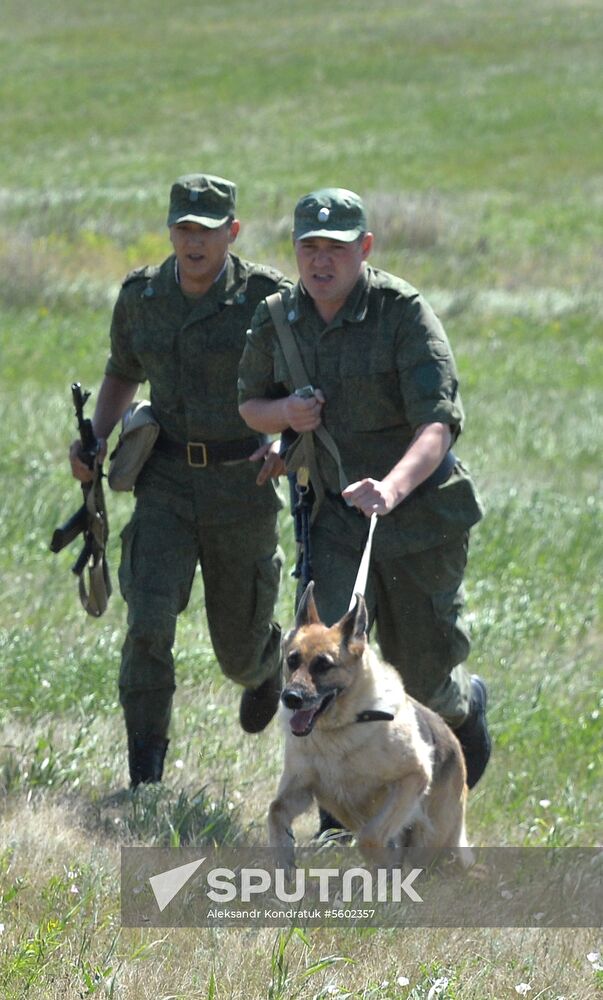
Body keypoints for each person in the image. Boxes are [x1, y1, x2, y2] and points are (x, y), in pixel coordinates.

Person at [237, 187, 491, 822]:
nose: (321, 262)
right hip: (333, 517)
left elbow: (437, 425)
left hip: (421, 515)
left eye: (337, 249)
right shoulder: (278, 318)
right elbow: (250, 403)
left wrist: (392, 488)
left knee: (425, 679)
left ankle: (465, 716)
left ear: (365, 249)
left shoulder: (402, 312)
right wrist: (285, 417)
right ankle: (336, 821)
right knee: (332, 671)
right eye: (309, 248)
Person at [69, 173, 291, 787]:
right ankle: (146, 778)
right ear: (170, 231)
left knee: (237, 653)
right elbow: (121, 372)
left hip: (241, 485)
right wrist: (96, 435)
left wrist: (281, 440)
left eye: (208, 230)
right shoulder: (142, 297)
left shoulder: (268, 299)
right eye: (184, 229)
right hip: (165, 481)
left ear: (233, 232)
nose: (194, 243)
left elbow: (298, 385)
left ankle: (265, 666)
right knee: (147, 621)